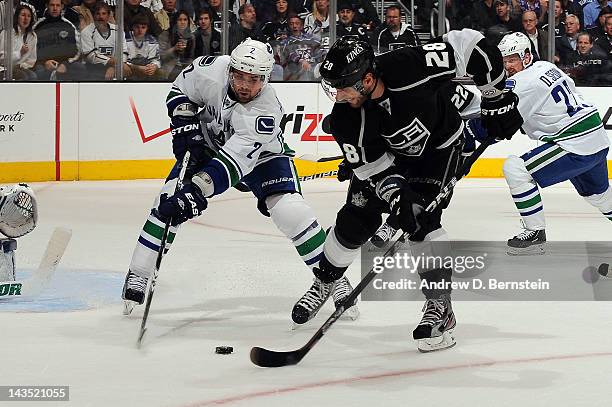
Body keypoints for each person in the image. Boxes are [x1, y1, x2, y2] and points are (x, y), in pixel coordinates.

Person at [311, 30, 522, 352]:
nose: (338, 95)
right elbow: (373, 168)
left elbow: (468, 43)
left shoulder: (409, 65)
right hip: (393, 158)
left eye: (343, 87)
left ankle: (441, 309)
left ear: (367, 79)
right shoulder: (345, 118)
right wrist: (398, 197)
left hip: (439, 153)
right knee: (355, 221)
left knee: (423, 225)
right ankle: (324, 279)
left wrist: (495, 97)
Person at [121, 38, 359, 323]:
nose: (245, 85)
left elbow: (232, 164)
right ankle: (139, 272)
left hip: (263, 158)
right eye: (240, 76)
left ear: (266, 79)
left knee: (290, 211)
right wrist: (184, 122)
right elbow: (180, 91)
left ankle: (332, 278)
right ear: (230, 69)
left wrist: (196, 190)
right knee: (169, 198)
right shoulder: (211, 70)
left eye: (254, 79)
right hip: (209, 145)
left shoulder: (266, 111)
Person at [492, 32, 609, 254]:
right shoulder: (547, 66)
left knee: (515, 168)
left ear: (526, 57)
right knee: (601, 197)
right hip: (595, 135)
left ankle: (535, 231)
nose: (507, 65)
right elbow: (572, 89)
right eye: (504, 60)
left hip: (575, 142)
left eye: (512, 59)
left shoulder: (520, 83)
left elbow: (501, 121)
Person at [80, 2, 128, 80]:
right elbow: (91, 56)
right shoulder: (86, 32)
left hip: (116, 66)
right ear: (93, 15)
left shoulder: (118, 30)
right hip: (92, 69)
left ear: (108, 16)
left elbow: (124, 51)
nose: (100, 17)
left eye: (104, 13)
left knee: (132, 70)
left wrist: (116, 67)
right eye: (98, 14)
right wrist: (116, 63)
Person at [0, 4, 38, 80]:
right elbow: (1, 58)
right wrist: (19, 53)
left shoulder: (32, 36)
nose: (26, 18)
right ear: (17, 17)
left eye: (29, 16)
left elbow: (32, 60)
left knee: (33, 76)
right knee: (24, 77)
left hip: (21, 68)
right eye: (23, 15)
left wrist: (21, 65)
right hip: (5, 69)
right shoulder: (7, 33)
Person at [124, 16, 164, 80]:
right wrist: (138, 68)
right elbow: (122, 62)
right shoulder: (124, 38)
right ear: (132, 27)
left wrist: (154, 66)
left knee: (160, 73)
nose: (140, 30)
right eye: (137, 27)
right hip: (129, 70)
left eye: (143, 27)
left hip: (145, 70)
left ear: (147, 28)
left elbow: (156, 60)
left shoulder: (152, 40)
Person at [159, 10, 196, 80]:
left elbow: (191, 57)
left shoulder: (191, 37)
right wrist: (174, 48)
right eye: (180, 20)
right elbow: (161, 56)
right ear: (175, 21)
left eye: (185, 20)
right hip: (169, 68)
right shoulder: (165, 35)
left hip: (185, 69)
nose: (183, 22)